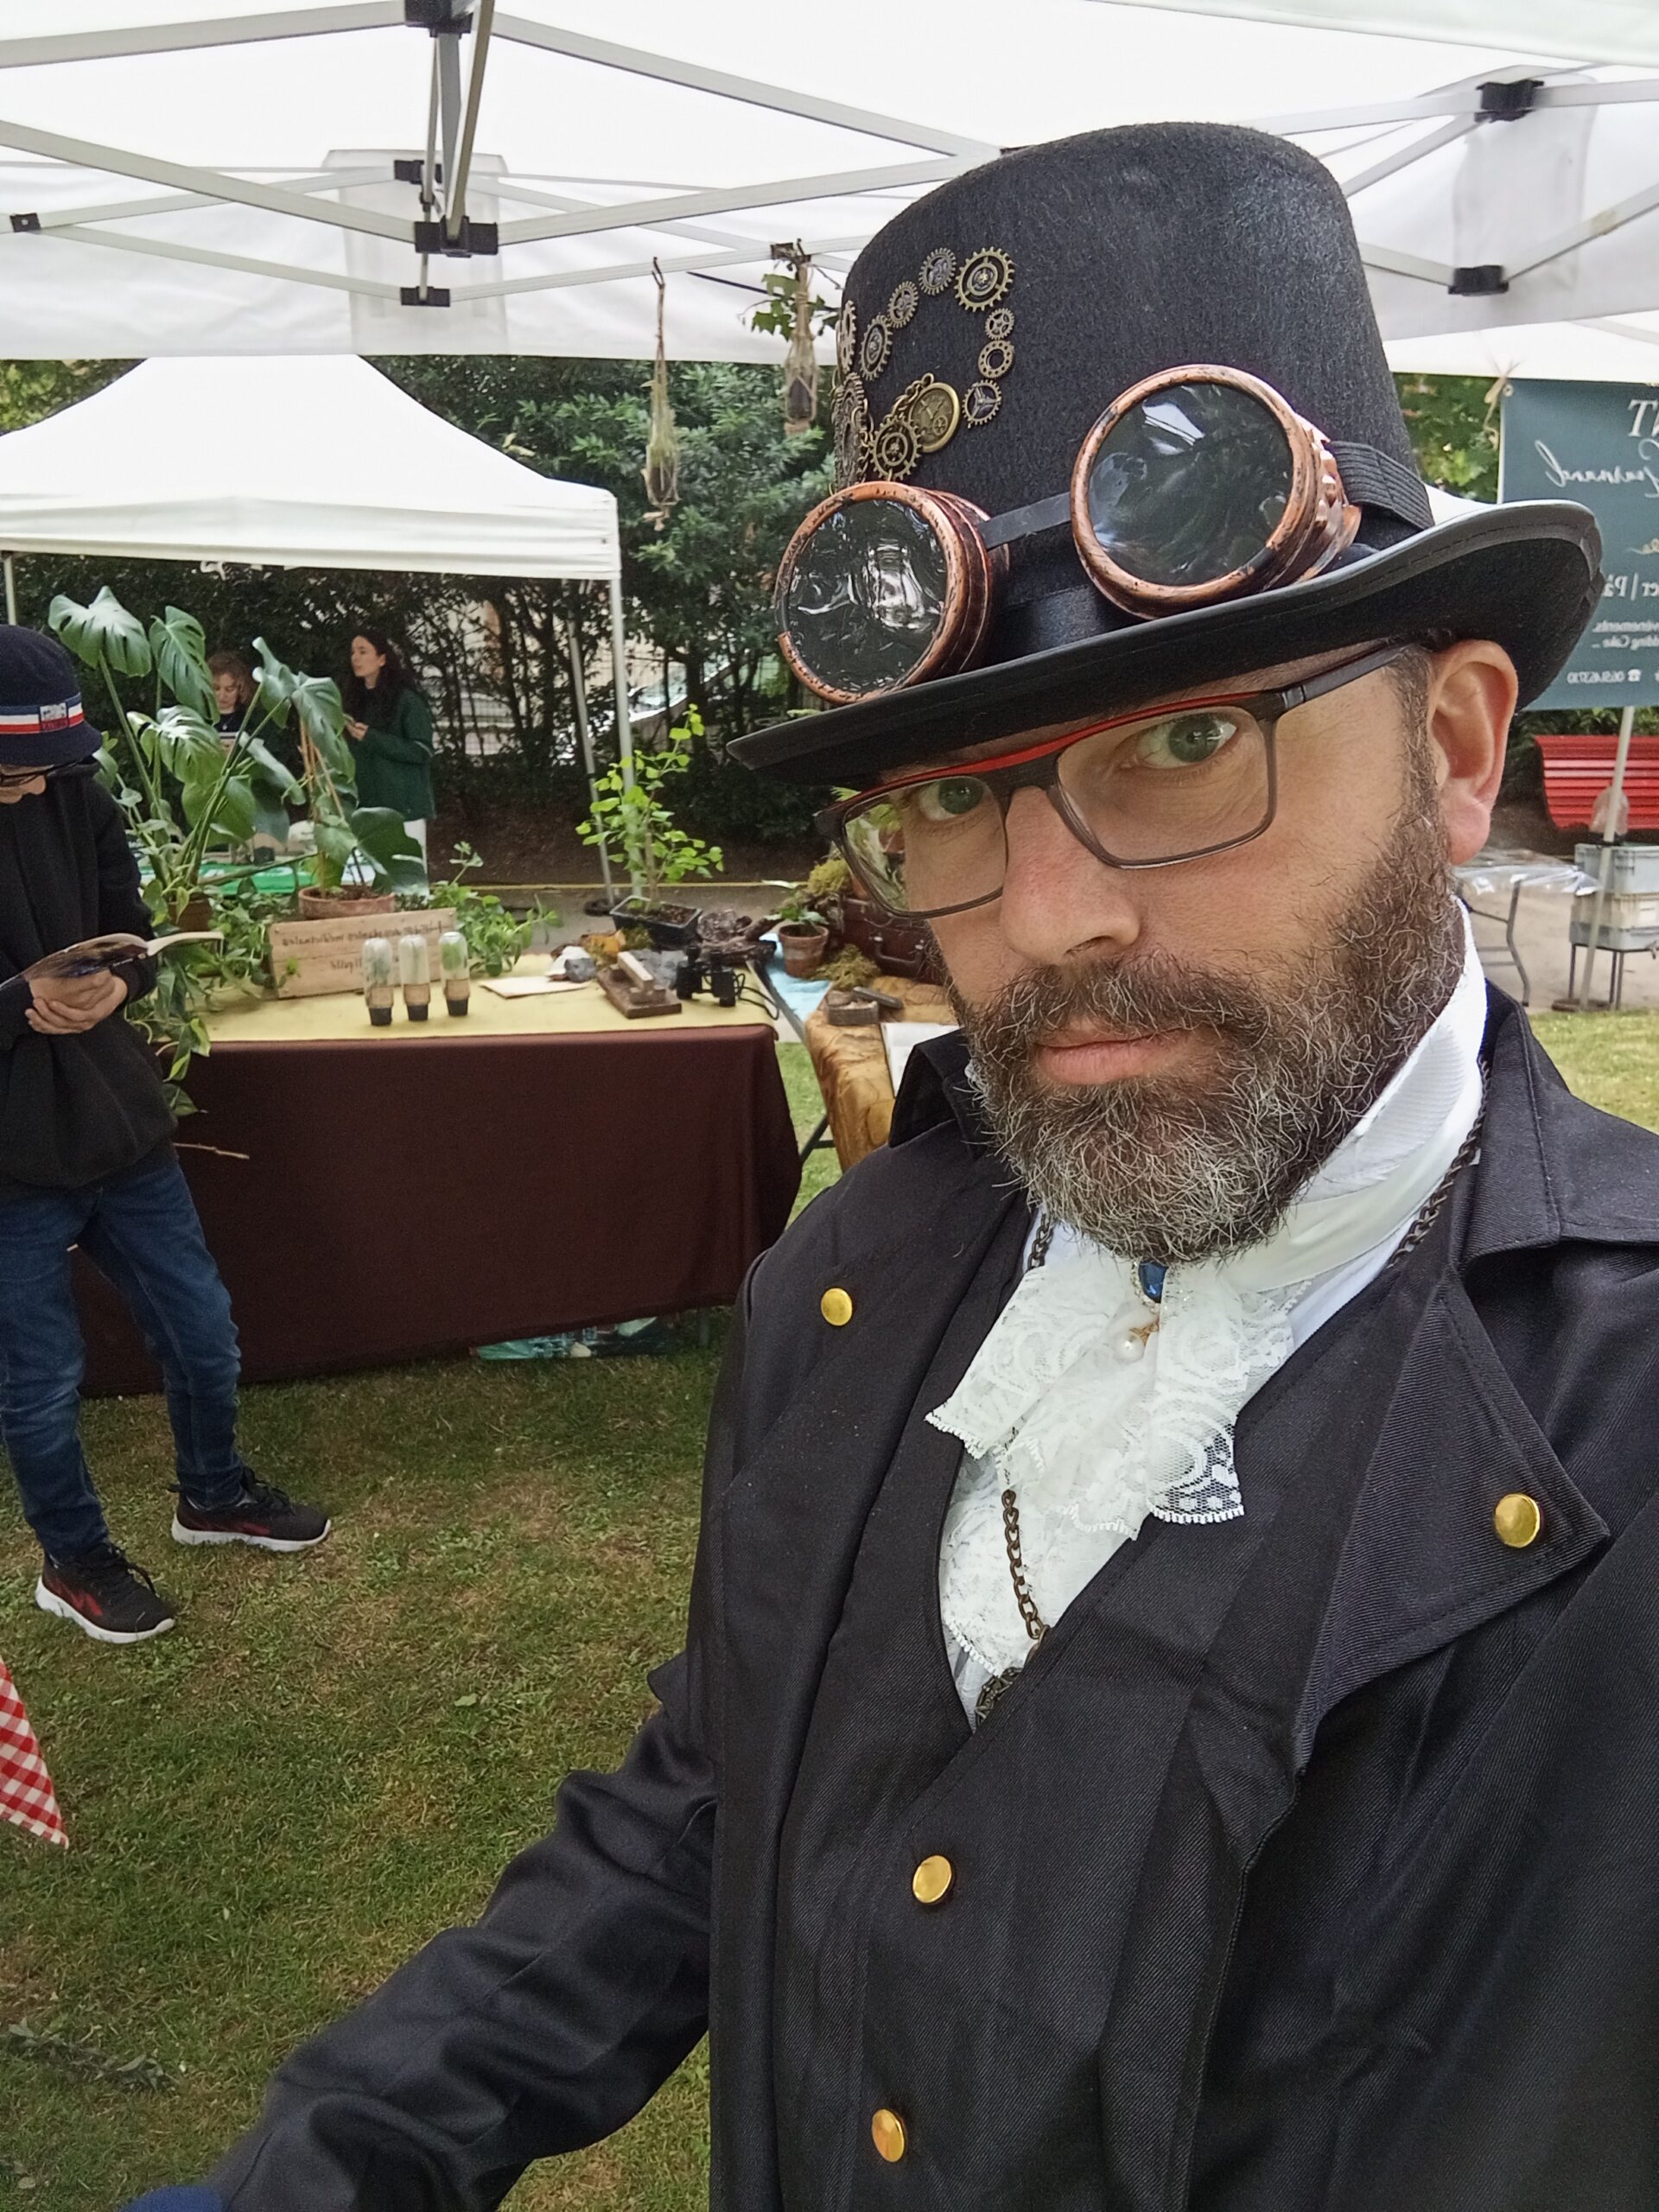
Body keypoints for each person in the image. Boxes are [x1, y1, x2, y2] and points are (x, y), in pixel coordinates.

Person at [146, 128, 1656, 2211]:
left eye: (1188, 744)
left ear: (1458, 750)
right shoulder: (853, 1281)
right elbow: (709, 1805)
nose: (1042, 919)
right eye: (949, 797)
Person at [0, 626, 330, 1648]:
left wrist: (121, 981)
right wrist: (18, 1003)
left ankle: (213, 1493)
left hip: (118, 1124)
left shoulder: (78, 793)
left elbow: (129, 926)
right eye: (14, 772)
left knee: (202, 1330)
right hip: (8, 1159)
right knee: (39, 1380)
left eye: (52, 767)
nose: (36, 787)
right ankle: (76, 1561)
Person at [341, 629, 435, 857]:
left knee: (407, 874)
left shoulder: (407, 701)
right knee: (364, 876)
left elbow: (421, 751)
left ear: (382, 659)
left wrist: (372, 738)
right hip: (364, 808)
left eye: (363, 651)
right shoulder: (353, 701)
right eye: (353, 652)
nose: (355, 658)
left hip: (404, 809)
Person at [207, 651, 255, 741]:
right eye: (216, 689)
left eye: (229, 690)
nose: (222, 696)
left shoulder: (249, 720)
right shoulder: (199, 717)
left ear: (240, 689)